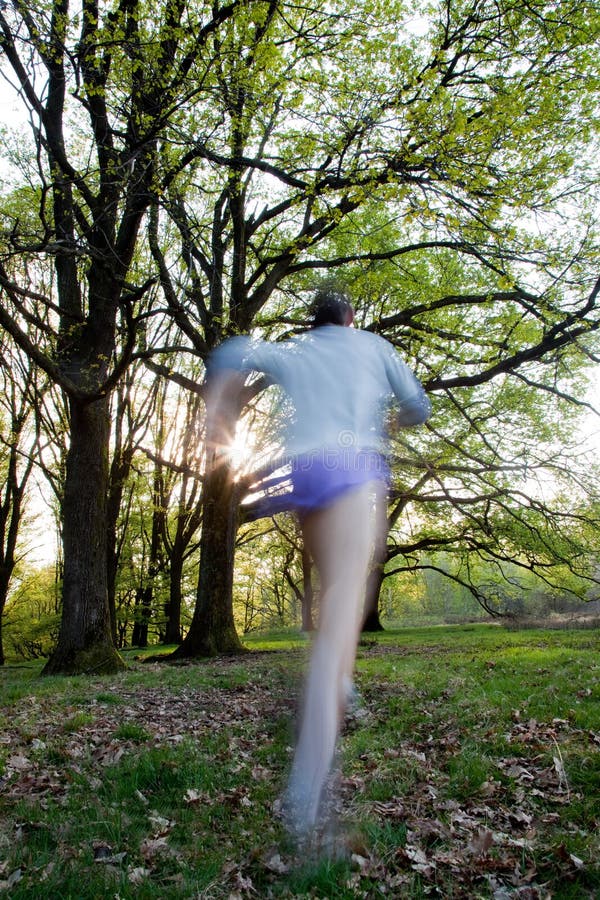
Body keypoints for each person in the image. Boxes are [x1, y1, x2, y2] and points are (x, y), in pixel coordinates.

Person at [205, 290, 431, 841]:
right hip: (353, 470)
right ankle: (305, 793)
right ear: (351, 319)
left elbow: (232, 352)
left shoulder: (298, 350)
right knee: (340, 618)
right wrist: (397, 420)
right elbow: (419, 405)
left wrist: (217, 414)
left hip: (305, 476)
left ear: (316, 320)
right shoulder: (373, 346)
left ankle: (343, 681)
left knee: (336, 592)